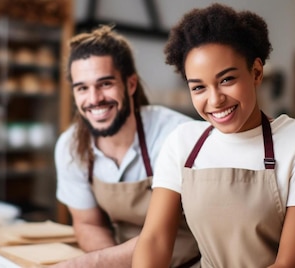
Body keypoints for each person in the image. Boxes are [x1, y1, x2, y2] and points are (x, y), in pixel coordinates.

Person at [133, 3, 295, 268]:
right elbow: (155, 240)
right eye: (198, 88)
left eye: (227, 80)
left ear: (256, 72)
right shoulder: (183, 142)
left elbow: (291, 264)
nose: (215, 100)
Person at [51, 25, 200, 268]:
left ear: (130, 85)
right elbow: (89, 224)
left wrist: (85, 264)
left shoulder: (174, 136)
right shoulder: (70, 147)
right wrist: (112, 262)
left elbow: (162, 236)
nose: (94, 98)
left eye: (105, 83)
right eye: (82, 88)